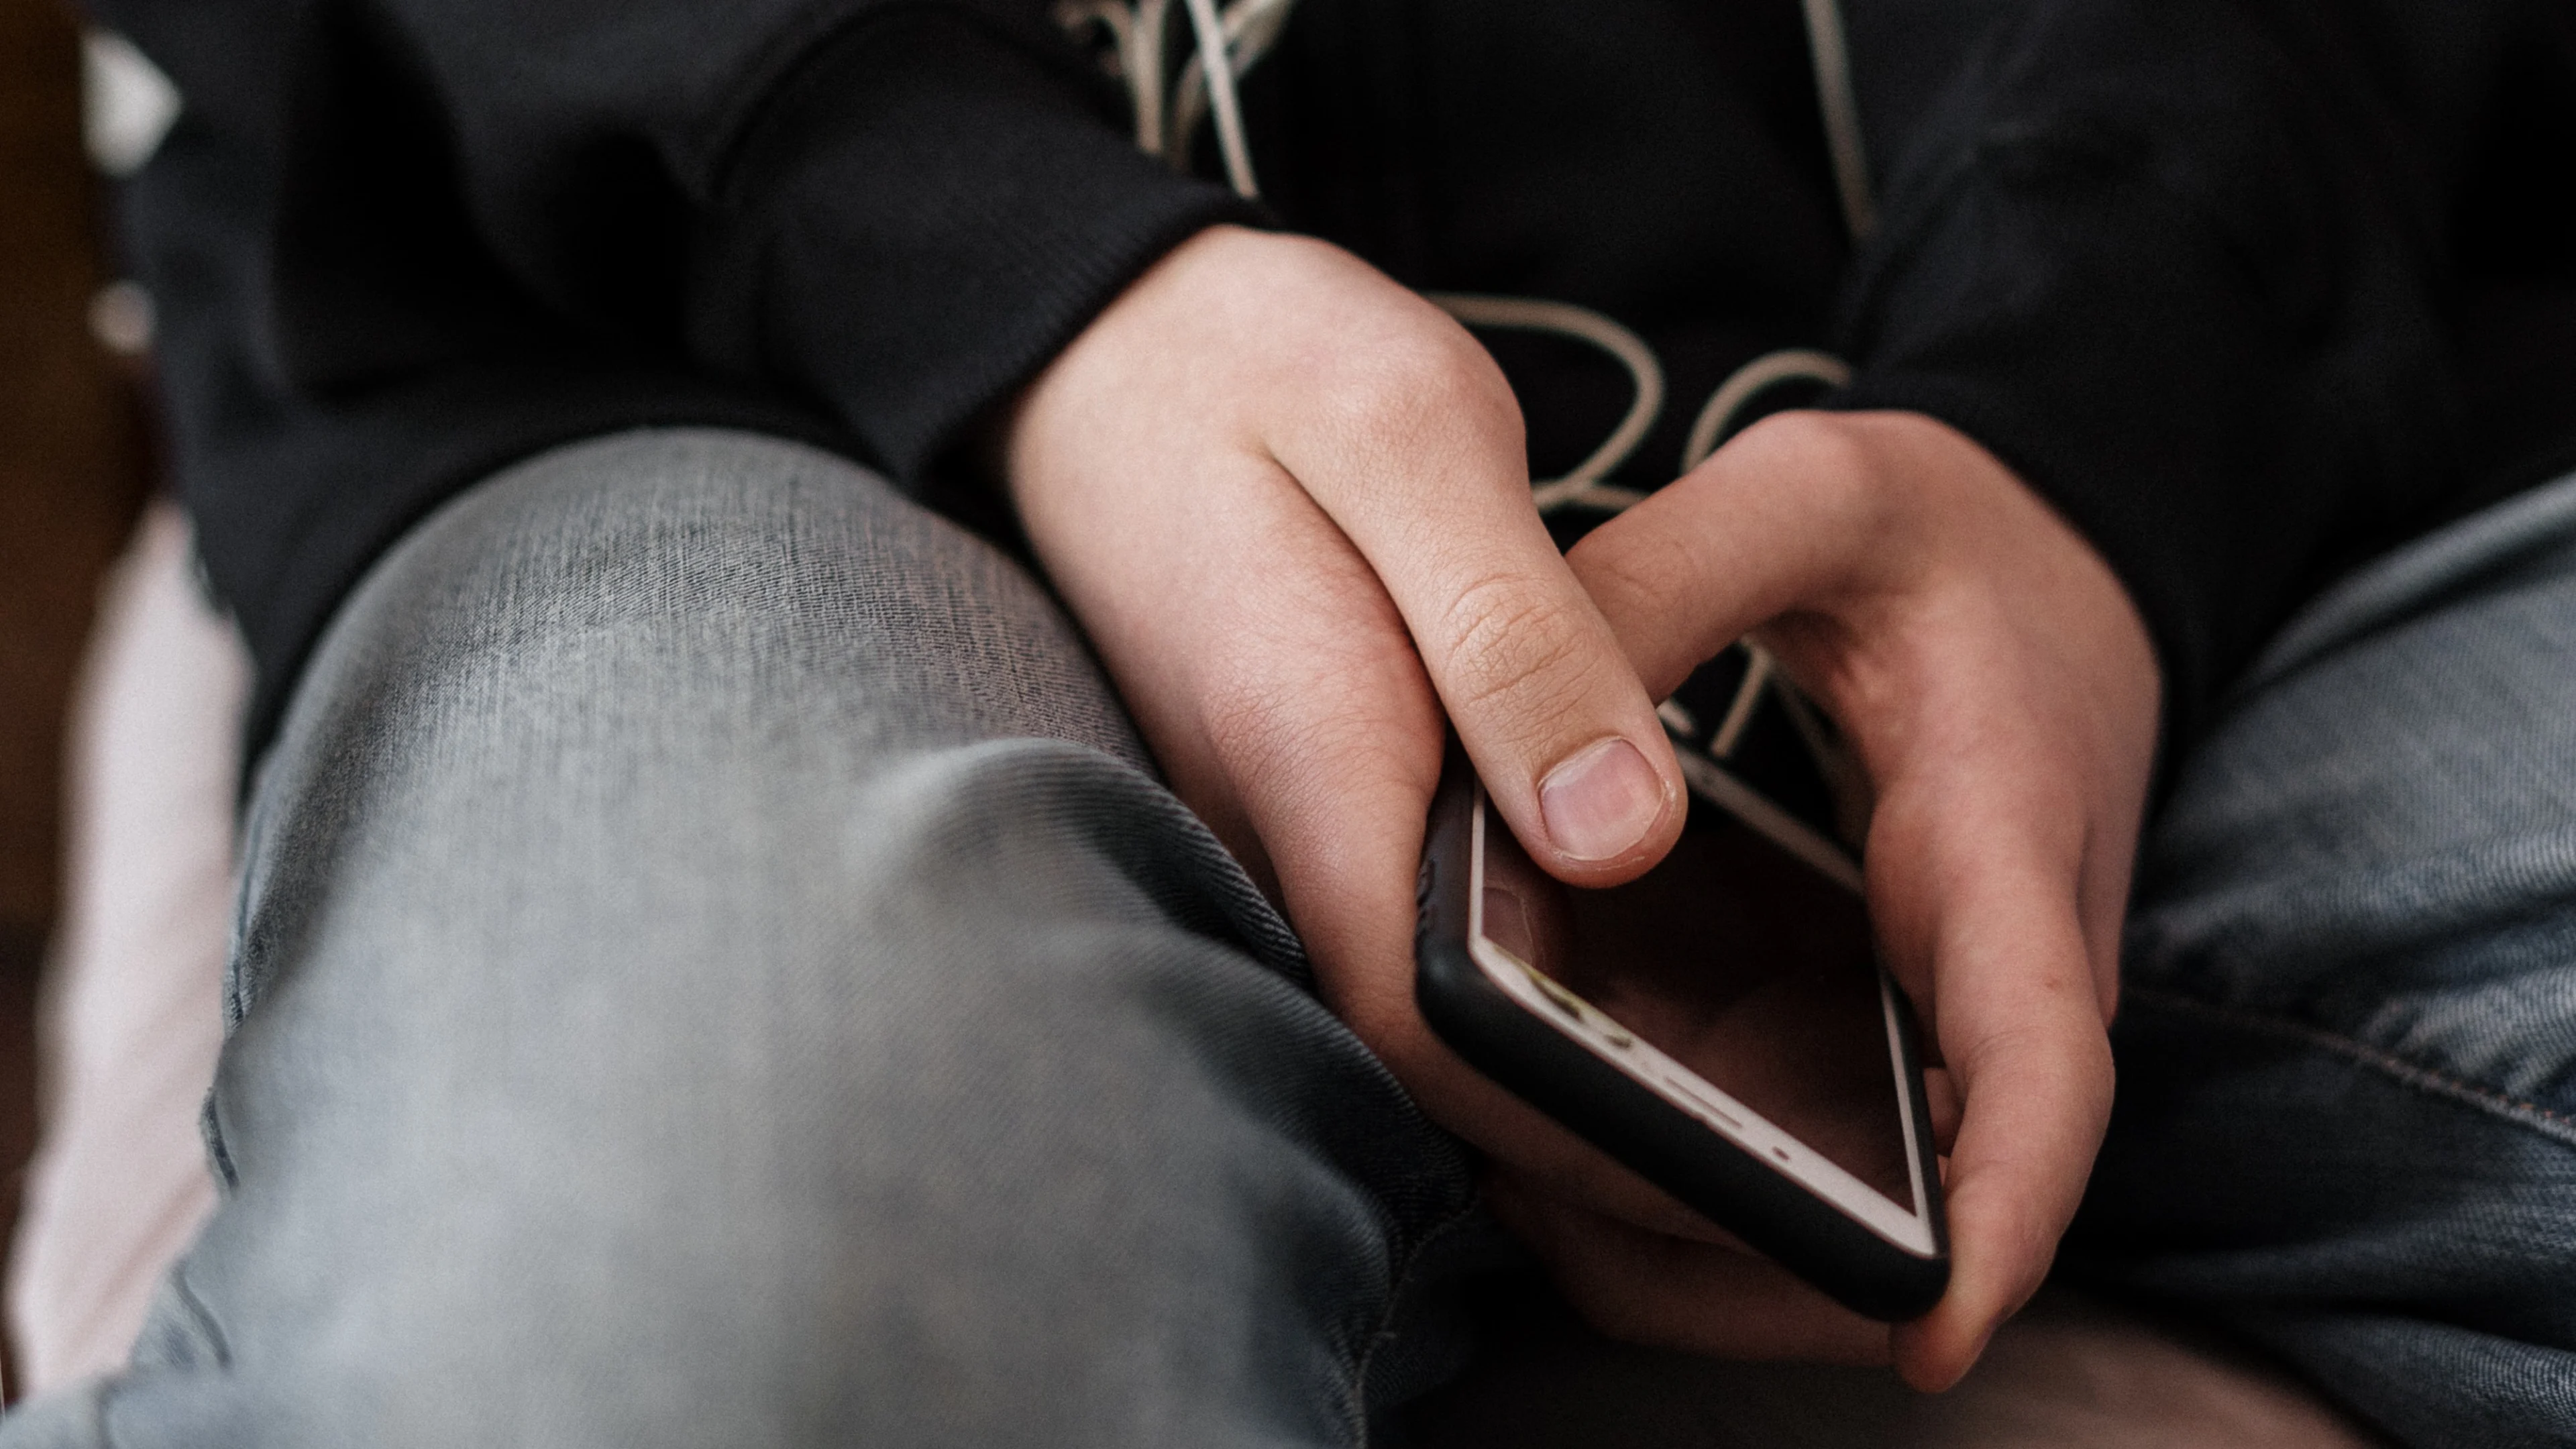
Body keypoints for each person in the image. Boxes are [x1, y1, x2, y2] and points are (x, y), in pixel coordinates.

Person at [5, 0, 2570, 1443]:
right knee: (674, 1321)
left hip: (2176, 500)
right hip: (747, 397)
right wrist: (990, 254)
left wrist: (2099, 430)